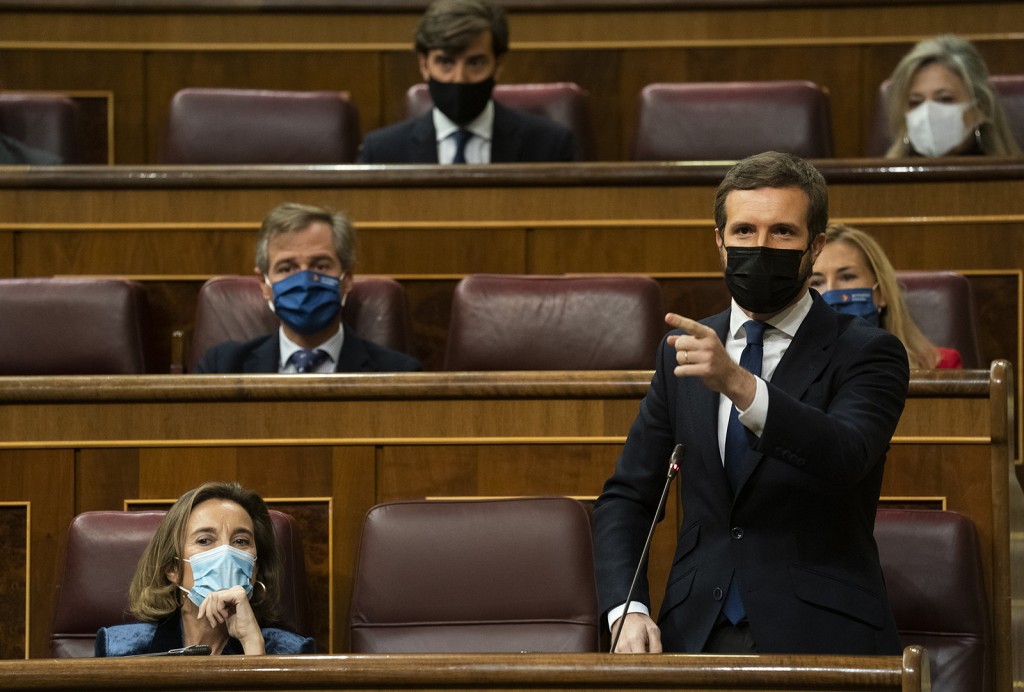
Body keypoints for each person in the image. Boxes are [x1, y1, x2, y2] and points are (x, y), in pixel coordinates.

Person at [593, 151, 909, 655]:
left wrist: (740, 384)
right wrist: (626, 609)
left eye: (782, 232)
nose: (760, 247)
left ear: (815, 245)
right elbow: (629, 496)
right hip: (694, 634)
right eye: (743, 231)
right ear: (719, 242)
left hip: (823, 636)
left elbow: (847, 453)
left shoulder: (867, 351)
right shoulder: (684, 350)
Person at [194, 202, 421, 373]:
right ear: (264, 284)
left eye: (320, 266)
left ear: (347, 278)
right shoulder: (223, 367)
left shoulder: (398, 372)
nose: (304, 280)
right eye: (287, 268)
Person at [95, 481, 316, 656]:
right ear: (172, 567)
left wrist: (252, 647)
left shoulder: (290, 651)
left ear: (254, 570)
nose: (226, 553)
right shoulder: (119, 649)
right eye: (205, 541)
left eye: (240, 541)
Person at [357, 0, 577, 164]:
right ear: (424, 65)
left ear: (498, 66)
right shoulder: (382, 152)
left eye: (475, 63)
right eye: (445, 62)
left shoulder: (549, 147)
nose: (459, 78)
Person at [811, 223, 963, 369]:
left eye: (847, 277)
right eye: (817, 282)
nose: (831, 292)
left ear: (881, 291)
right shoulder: (794, 369)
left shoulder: (940, 365)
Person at [884, 34, 1021, 158]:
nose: (928, 113)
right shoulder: (884, 180)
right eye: (915, 102)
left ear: (981, 108)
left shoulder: (1011, 180)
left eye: (945, 99)